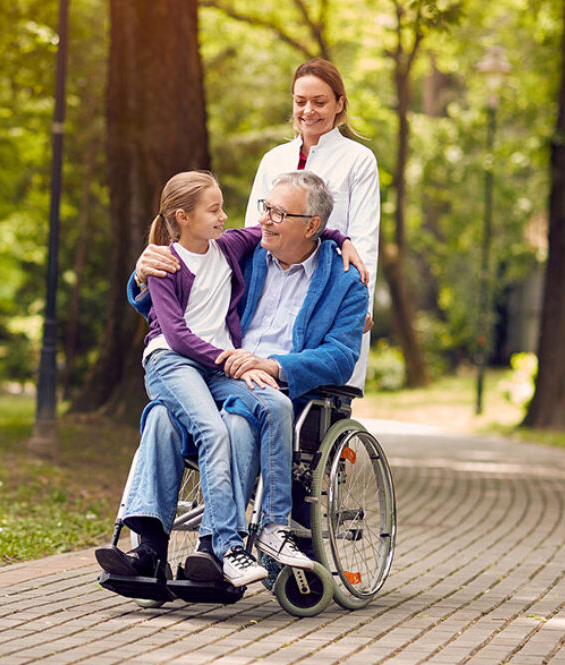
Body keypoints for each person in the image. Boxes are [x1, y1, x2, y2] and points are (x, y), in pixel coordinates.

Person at [101, 171, 368, 585]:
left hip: (271, 387)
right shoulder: (242, 251)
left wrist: (275, 366)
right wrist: (141, 274)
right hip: (210, 369)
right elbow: (176, 313)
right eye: (267, 207)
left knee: (238, 422)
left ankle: (215, 548)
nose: (264, 219)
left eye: (278, 213)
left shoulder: (346, 280)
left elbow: (341, 355)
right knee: (160, 417)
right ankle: (149, 549)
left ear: (310, 226)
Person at [142, 58, 380, 389]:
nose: (308, 110)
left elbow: (365, 239)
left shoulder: (358, 160)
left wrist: (360, 310)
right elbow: (255, 231)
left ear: (340, 104)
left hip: (324, 293)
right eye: (300, 101)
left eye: (320, 102)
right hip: (268, 288)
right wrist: (143, 272)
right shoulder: (274, 159)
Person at [96, 170, 272, 587]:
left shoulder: (227, 247)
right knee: (212, 430)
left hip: (211, 367)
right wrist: (225, 357)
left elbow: (277, 226)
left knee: (252, 407)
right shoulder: (164, 263)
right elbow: (174, 336)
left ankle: (185, 550)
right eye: (214, 210)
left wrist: (341, 239)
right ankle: (226, 545)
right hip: (171, 362)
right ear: (183, 216)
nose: (224, 216)